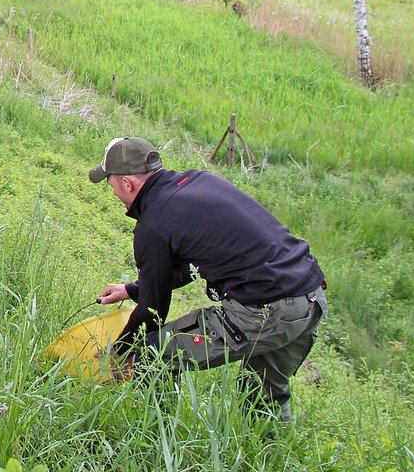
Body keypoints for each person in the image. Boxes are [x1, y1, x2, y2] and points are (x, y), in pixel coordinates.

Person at [90, 136, 327, 421]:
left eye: (110, 183)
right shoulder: (198, 183)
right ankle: (273, 453)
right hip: (309, 298)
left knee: (153, 355)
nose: (112, 191)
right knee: (263, 396)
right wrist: (132, 290)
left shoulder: (153, 223)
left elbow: (153, 311)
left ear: (126, 184)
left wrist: (121, 351)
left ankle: (156, 445)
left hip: (265, 310)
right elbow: (188, 267)